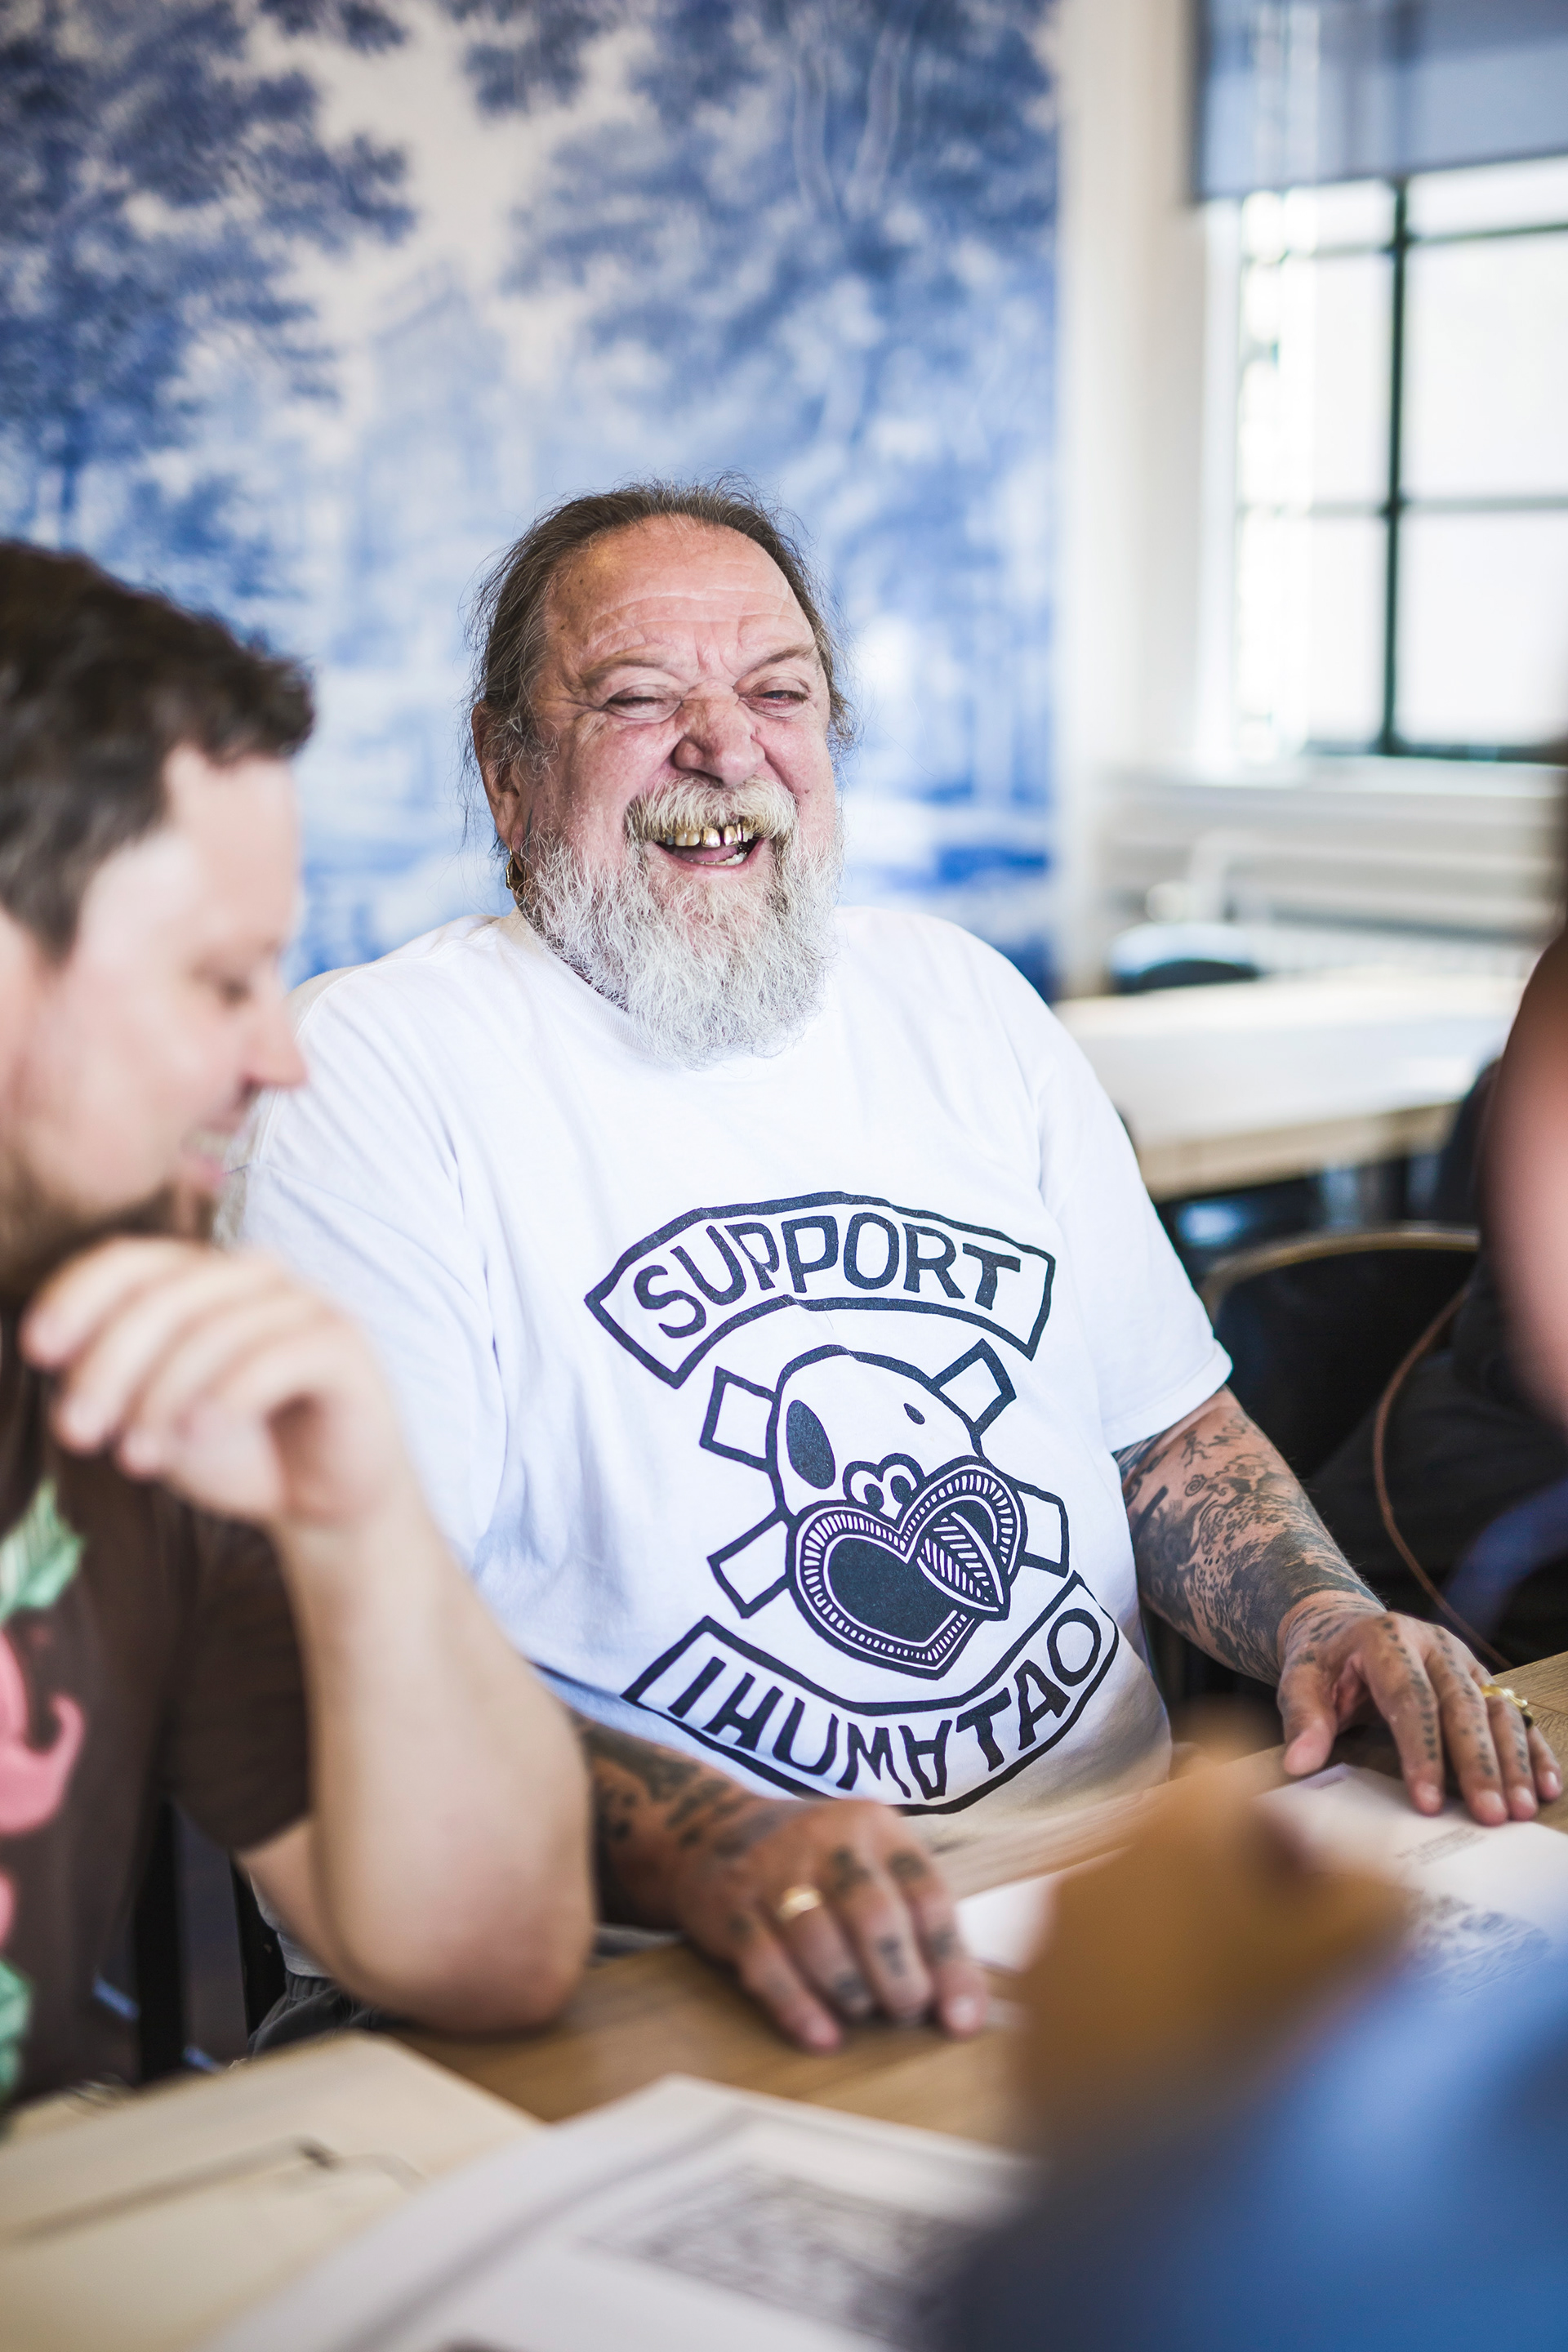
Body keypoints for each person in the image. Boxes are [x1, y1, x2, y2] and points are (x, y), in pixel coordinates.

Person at [230, 479, 1558, 2052]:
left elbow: (1164, 1437)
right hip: (647, 1967)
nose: (725, 749)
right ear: (506, 772)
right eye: (639, 700)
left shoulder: (963, 1003)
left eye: (778, 693)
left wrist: (1324, 1622)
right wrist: (707, 1846)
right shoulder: (378, 1077)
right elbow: (360, 1642)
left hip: (1095, 1902)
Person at [0, 543, 594, 2107]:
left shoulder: (122, 1367)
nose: (283, 1056)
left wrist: (361, 1516)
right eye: (219, 980)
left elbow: (495, 1949)